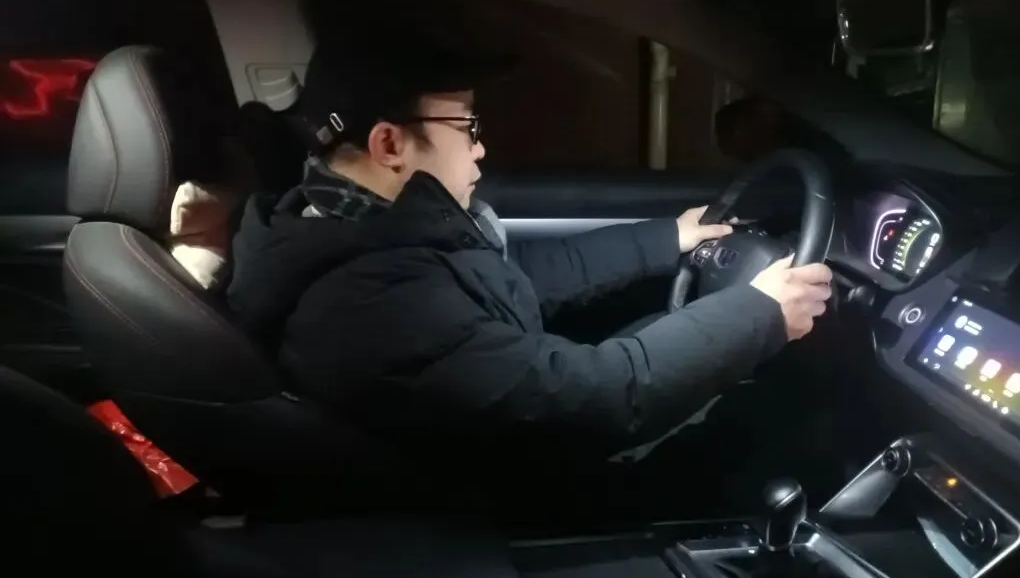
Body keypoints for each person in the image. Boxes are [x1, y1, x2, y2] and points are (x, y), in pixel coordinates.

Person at [226, 37, 833, 518]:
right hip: (510, 510)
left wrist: (665, 238)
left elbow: (512, 277)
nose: (480, 149)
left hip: (506, 453)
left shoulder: (361, 230)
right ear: (390, 144)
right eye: (467, 127)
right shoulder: (369, 305)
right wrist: (760, 315)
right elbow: (596, 400)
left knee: (683, 341)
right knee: (781, 420)